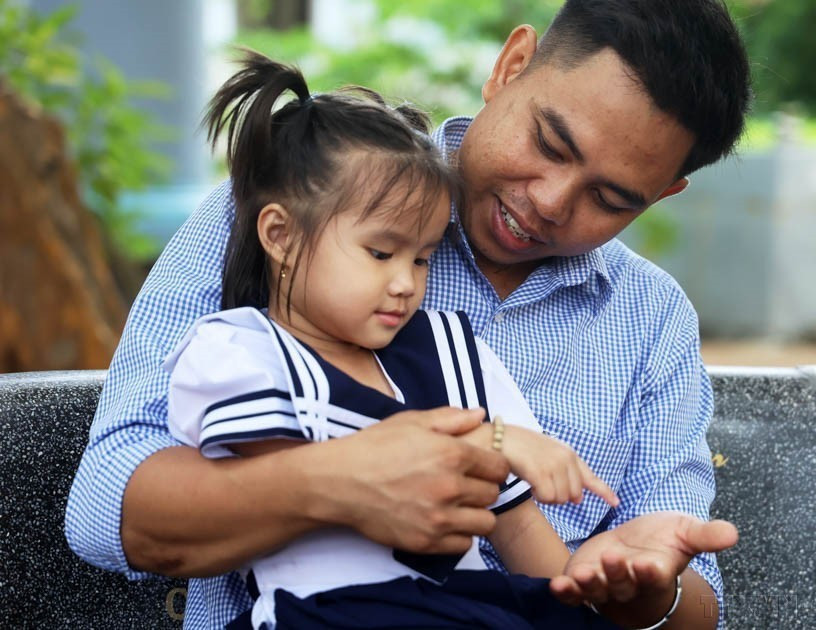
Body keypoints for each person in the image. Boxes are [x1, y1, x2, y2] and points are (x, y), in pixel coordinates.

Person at [65, 1, 750, 628]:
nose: (550, 201)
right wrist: (339, 484)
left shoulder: (651, 322)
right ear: (511, 67)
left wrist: (644, 592)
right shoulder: (301, 204)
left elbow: (694, 600)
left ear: (662, 193)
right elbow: (103, 509)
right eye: (550, 143)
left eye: (610, 197)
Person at [165, 51, 621, 628]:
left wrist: (593, 586)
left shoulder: (451, 352)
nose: (406, 284)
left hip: (466, 606)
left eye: (424, 258)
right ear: (279, 235)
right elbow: (293, 483)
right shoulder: (237, 351)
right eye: (380, 253)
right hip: (330, 612)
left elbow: (520, 527)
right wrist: (491, 440)